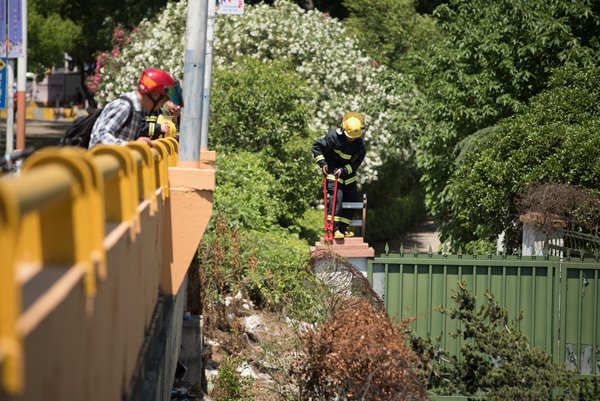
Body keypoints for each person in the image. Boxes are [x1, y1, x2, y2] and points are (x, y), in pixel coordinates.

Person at [89, 68, 183, 148]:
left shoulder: (136, 110)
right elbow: (100, 138)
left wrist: (135, 142)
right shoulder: (124, 106)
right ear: (154, 95)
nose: (162, 106)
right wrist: (133, 145)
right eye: (162, 102)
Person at [312, 112, 366, 239]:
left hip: (348, 174)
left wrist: (345, 170)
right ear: (343, 130)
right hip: (332, 172)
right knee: (337, 198)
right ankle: (333, 229)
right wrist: (322, 163)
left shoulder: (360, 144)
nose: (352, 139)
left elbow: (357, 162)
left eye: (354, 137)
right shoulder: (333, 137)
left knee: (352, 200)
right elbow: (317, 147)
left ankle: (342, 229)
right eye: (350, 137)